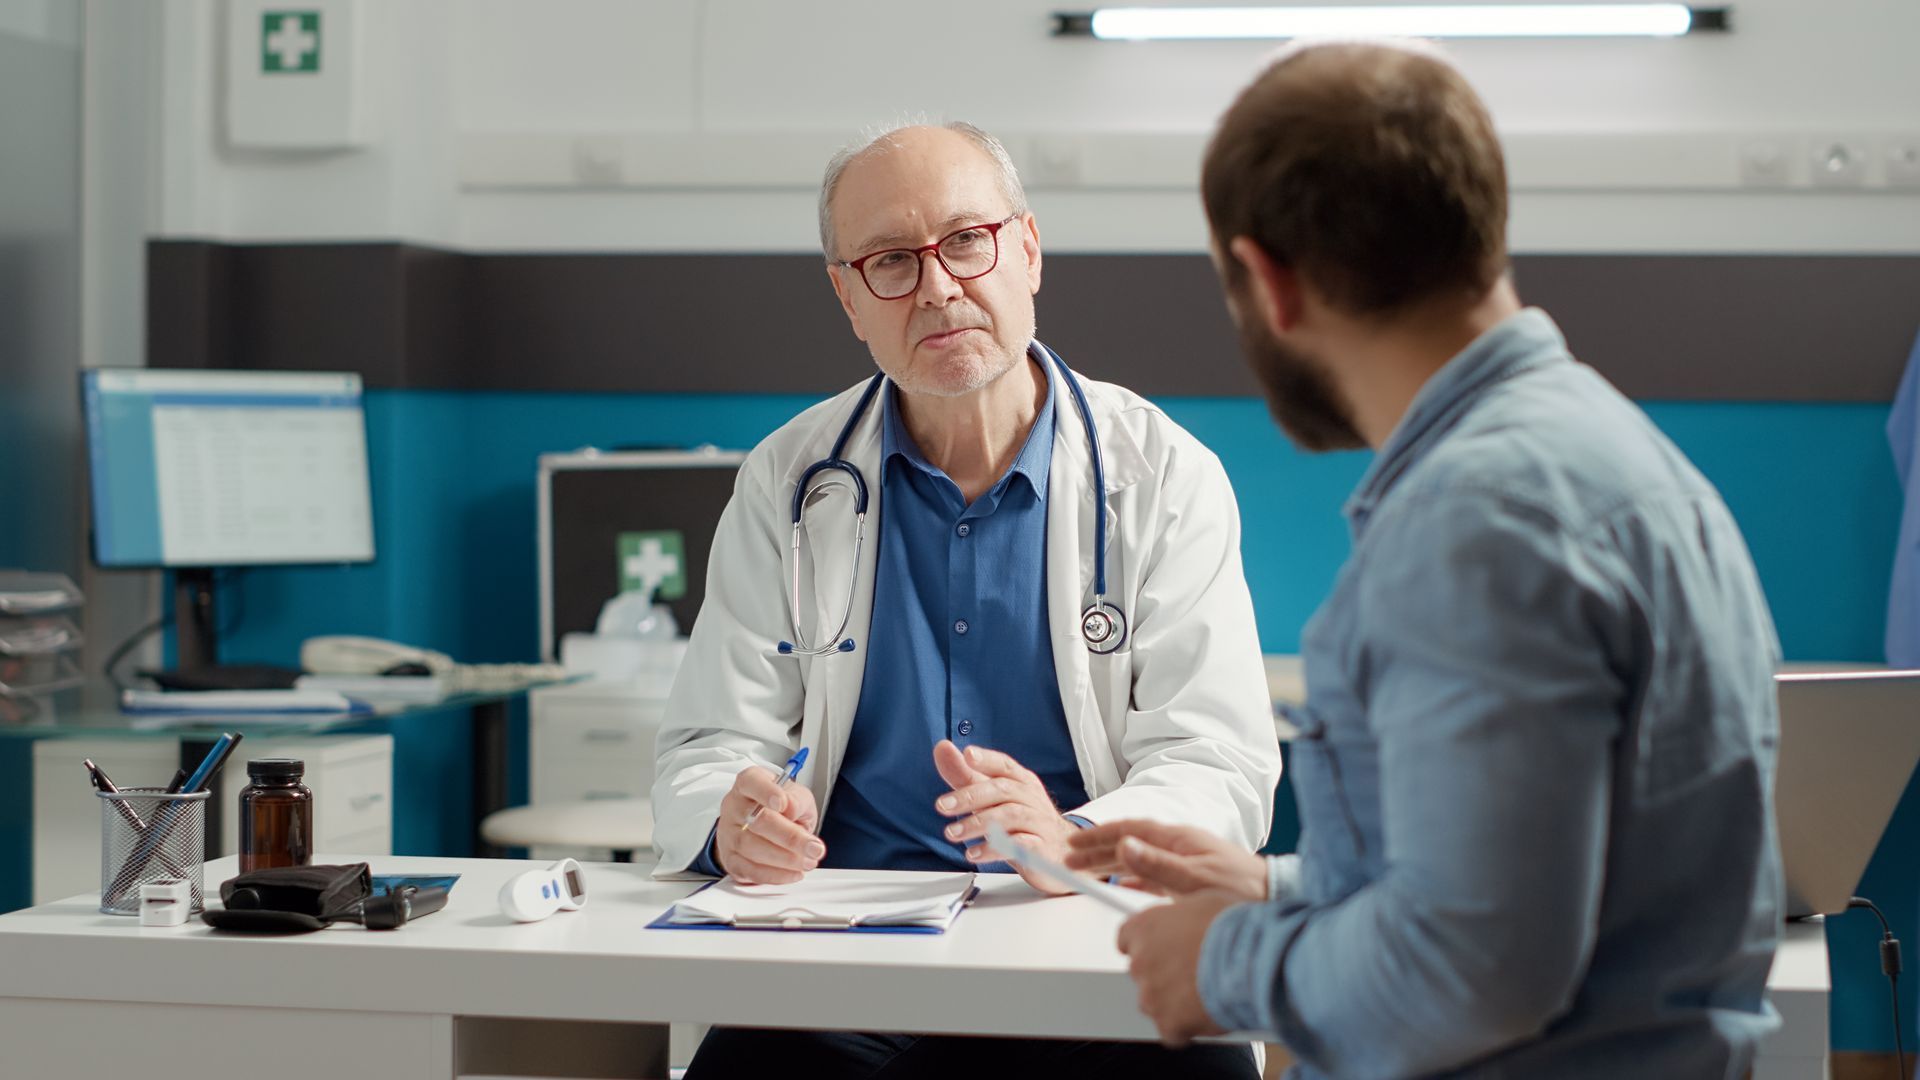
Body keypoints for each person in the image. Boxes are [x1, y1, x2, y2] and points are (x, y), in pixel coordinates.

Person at [1070, 40, 1784, 1079]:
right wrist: (1290, 887)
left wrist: (1228, 962)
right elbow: (1549, 877)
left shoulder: (1473, 525)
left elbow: (1475, 966)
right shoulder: (1626, 462)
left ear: (1268, 281)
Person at [654, 121, 1282, 1078]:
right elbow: (712, 743)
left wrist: (1076, 837)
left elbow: (1219, 760)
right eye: (891, 261)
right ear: (848, 295)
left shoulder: (1162, 476)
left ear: (1026, 250)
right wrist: (729, 820)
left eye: (965, 240)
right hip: (841, 964)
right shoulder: (788, 480)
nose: (940, 285)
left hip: (1088, 948)